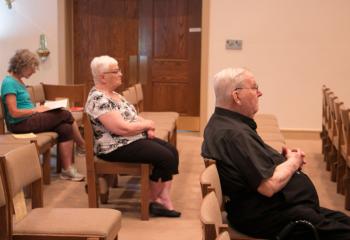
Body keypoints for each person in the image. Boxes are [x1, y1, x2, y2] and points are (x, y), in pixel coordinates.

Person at [201, 67, 350, 239]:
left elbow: (249, 162)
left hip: (272, 208)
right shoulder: (233, 134)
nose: (260, 93)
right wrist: (293, 162)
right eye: (255, 88)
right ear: (236, 96)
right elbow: (268, 186)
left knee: (342, 220)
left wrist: (283, 159)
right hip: (266, 214)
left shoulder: (224, 123)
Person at [85, 55, 181, 218]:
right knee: (165, 157)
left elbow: (132, 117)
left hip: (130, 139)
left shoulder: (114, 94)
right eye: (116, 71)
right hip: (114, 147)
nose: (121, 74)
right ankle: (156, 199)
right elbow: (121, 128)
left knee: (172, 151)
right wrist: (147, 125)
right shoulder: (99, 99)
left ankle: (156, 198)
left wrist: (147, 125)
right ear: (103, 77)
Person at [1, 49, 85, 181]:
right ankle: (82, 145)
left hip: (29, 119)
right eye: (32, 68)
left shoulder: (19, 81)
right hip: (19, 124)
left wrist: (40, 109)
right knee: (65, 114)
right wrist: (36, 110)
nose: (34, 71)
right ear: (21, 66)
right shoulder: (8, 83)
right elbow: (14, 112)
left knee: (65, 128)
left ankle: (67, 170)